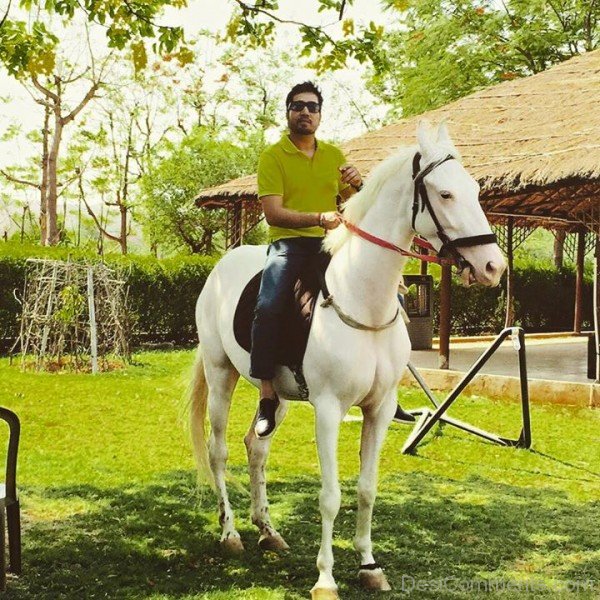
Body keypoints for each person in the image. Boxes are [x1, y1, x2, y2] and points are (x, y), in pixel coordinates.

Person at [251, 81, 414, 438]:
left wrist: (357, 185)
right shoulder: (273, 157)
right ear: (288, 113)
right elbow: (274, 214)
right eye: (298, 106)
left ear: (320, 115)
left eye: (312, 107)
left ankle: (386, 386)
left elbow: (357, 203)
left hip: (331, 245)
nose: (305, 112)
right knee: (269, 305)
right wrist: (317, 218)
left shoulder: (334, 156)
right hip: (289, 245)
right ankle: (267, 395)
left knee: (389, 297)